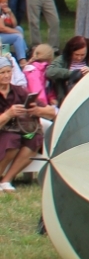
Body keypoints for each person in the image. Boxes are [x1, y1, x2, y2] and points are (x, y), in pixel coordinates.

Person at [0, 61, 56, 192]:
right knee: (12, 139)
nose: (6, 75)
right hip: (3, 132)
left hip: (21, 130)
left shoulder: (19, 91)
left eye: (9, 71)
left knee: (34, 138)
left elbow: (52, 111)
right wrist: (8, 114)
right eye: (2, 72)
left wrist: (37, 111)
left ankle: (6, 180)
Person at [44, 35, 89, 104]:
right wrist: (72, 73)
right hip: (66, 97)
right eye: (76, 54)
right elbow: (50, 72)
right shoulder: (62, 59)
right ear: (70, 52)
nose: (79, 58)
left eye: (82, 55)